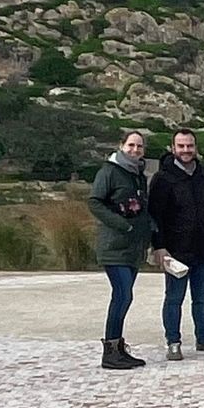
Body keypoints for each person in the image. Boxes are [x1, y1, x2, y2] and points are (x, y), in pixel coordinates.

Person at [148, 129, 204, 361]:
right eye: (181, 146)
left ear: (196, 147)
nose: (186, 150)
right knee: (174, 299)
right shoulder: (163, 178)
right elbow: (155, 217)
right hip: (175, 251)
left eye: (190, 146)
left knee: (202, 299)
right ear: (173, 148)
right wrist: (159, 247)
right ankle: (173, 342)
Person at [88, 131, 152, 370]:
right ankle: (110, 351)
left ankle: (118, 346)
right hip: (114, 246)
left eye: (139, 146)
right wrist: (122, 224)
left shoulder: (138, 175)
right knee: (122, 294)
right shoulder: (109, 171)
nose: (135, 150)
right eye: (131, 145)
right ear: (121, 146)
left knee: (125, 296)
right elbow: (95, 202)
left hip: (133, 247)